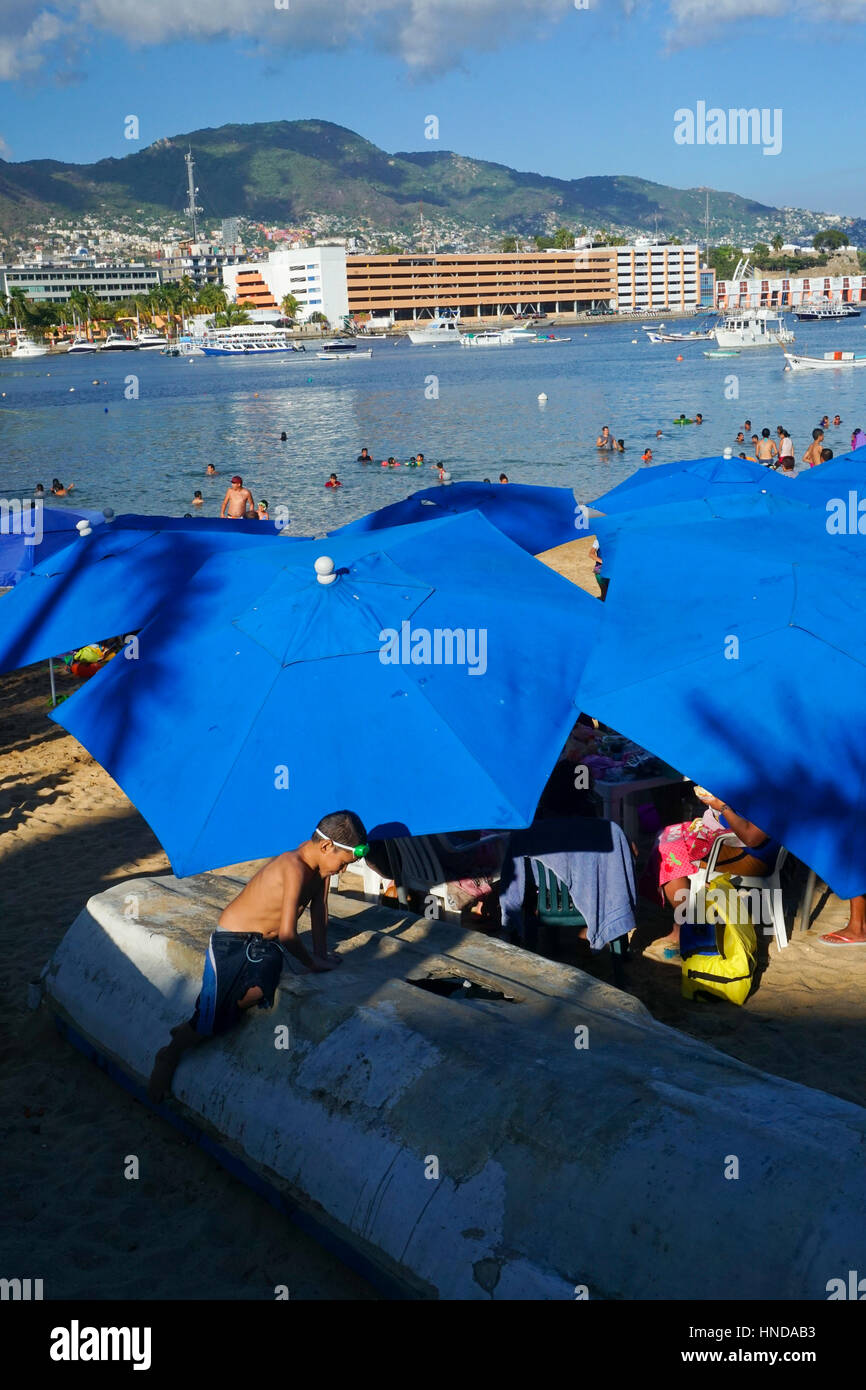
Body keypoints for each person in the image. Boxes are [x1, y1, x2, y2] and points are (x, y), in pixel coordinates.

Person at [147, 812, 369, 1102]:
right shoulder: (293, 866)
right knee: (212, 1019)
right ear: (326, 847)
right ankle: (170, 1053)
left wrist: (321, 953)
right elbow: (288, 934)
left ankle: (202, 1022)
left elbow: (319, 910)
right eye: (343, 864)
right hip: (232, 941)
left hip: (264, 945)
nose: (343, 871)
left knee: (260, 989)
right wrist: (312, 963)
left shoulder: (322, 871)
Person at [647, 789, 780, 954]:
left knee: (669, 855)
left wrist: (722, 807)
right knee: (667, 836)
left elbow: (751, 837)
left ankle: (690, 927)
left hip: (750, 855)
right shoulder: (772, 785)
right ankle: (689, 921)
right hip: (728, 837)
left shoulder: (776, 793)